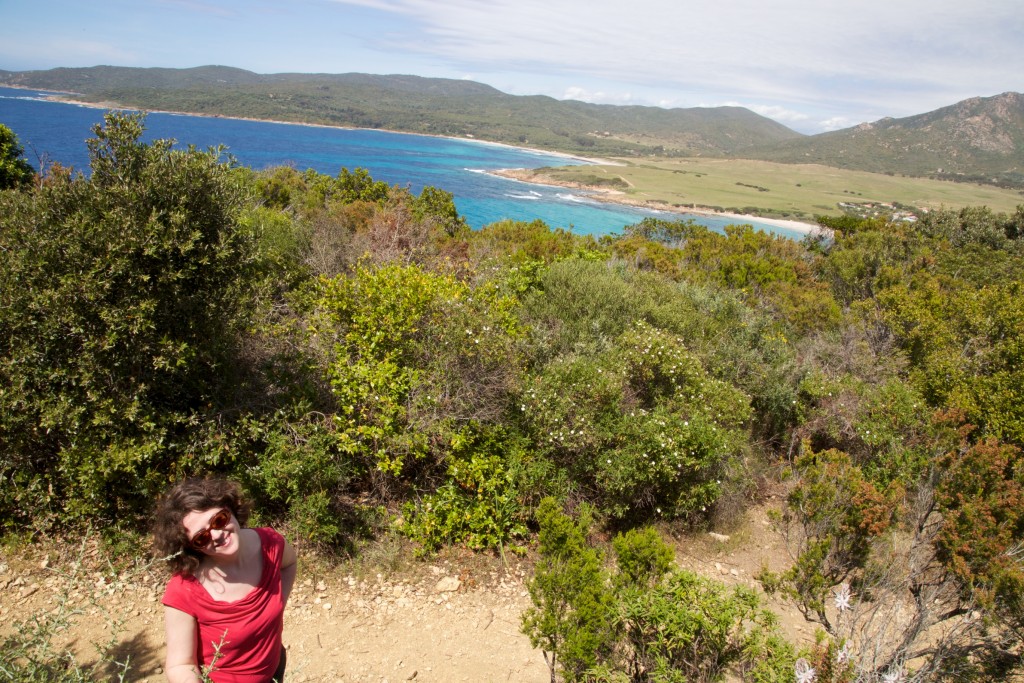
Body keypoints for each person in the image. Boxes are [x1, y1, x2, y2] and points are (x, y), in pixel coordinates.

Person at [153, 477, 297, 683]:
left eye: (219, 520)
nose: (217, 535)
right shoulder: (185, 589)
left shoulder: (270, 544)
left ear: (229, 507)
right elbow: (180, 665)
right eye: (202, 537)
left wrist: (278, 603)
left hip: (274, 669)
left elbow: (289, 564)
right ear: (191, 547)